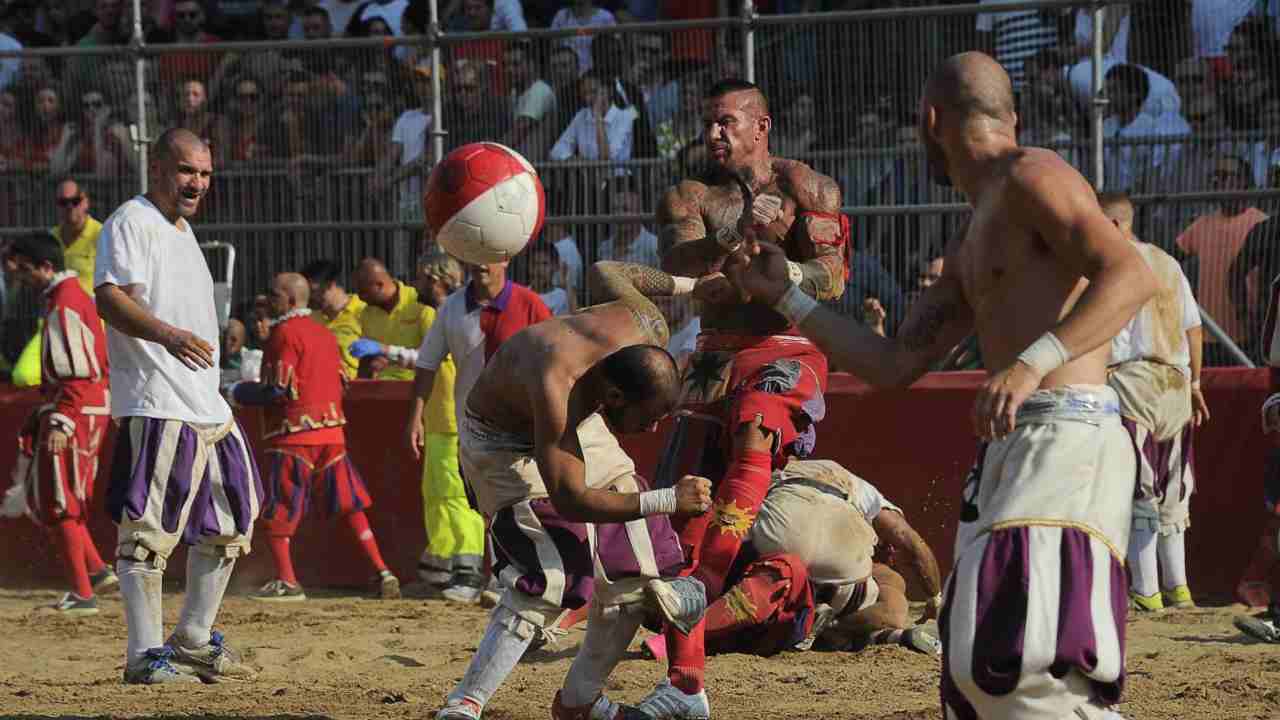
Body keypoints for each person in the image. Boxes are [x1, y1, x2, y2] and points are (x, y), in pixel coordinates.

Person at [726, 52, 1158, 720]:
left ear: (931, 121)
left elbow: (1130, 275)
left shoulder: (1032, 174)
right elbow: (893, 364)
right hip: (1028, 446)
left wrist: (1031, 361)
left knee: (1029, 664)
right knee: (981, 668)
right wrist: (787, 296)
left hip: (1066, 434)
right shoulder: (976, 231)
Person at [437, 260, 715, 720]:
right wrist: (667, 498)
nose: (652, 429)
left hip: (578, 422)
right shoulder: (556, 385)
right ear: (617, 399)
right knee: (552, 574)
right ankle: (465, 705)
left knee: (635, 568)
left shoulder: (646, 325)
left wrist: (694, 283)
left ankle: (579, 702)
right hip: (504, 443)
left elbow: (609, 270)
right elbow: (570, 499)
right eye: (649, 417)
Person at [650, 77, 849, 716]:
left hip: (786, 343)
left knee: (757, 422)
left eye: (726, 122)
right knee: (682, 485)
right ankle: (690, 646)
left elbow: (835, 279)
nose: (713, 134)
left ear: (761, 127)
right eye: (709, 123)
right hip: (712, 351)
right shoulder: (689, 196)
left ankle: (707, 586)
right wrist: (733, 238)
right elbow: (683, 271)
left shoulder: (807, 188)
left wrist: (781, 270)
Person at [95, 128, 261, 685]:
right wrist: (167, 336)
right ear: (159, 168)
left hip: (204, 401)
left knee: (234, 515)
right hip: (159, 395)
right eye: (188, 170)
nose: (198, 183)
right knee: (147, 530)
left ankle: (191, 638)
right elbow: (110, 297)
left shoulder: (183, 230)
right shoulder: (131, 221)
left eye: (206, 173)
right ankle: (143, 657)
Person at [641, 458, 944, 660]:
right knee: (787, 578)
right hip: (818, 554)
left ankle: (681, 629)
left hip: (764, 528)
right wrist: (935, 599)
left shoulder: (794, 471)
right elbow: (912, 545)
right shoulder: (878, 556)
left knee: (773, 576)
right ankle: (848, 632)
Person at [226, 272, 400, 603]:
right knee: (351, 504)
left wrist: (237, 390)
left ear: (290, 300)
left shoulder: (283, 334)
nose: (269, 299)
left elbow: (278, 390)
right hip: (332, 435)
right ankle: (383, 571)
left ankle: (288, 581)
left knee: (281, 507)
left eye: (275, 294)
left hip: (293, 437)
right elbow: (340, 382)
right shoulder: (324, 333)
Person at [406, 253, 550, 602]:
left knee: (524, 499)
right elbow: (427, 364)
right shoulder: (452, 307)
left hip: (522, 421)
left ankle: (516, 578)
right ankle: (498, 578)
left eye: (490, 254)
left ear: (506, 259)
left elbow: (553, 354)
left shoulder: (530, 303)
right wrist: (416, 416)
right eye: (475, 253)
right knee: (485, 501)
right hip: (470, 422)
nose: (482, 262)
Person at [1098, 192, 1208, 613]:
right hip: (1175, 382)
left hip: (1128, 382)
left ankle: (1146, 590)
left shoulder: (1103, 265)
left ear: (1113, 225)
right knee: (1175, 487)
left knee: (1141, 487)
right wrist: (1195, 382)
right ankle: (1178, 588)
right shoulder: (1168, 262)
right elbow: (1193, 328)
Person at [5, 232, 116, 615]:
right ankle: (98, 573)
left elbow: (76, 374)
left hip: (75, 410)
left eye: (20, 265)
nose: (15, 272)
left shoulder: (64, 303)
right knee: (67, 496)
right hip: (85, 408)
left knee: (60, 501)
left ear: (44, 266)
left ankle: (83, 594)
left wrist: (62, 420)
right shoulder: (67, 298)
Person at [300, 259, 365, 380]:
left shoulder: (363, 311)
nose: (310, 298)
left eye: (314, 291)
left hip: (356, 388)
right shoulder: (310, 318)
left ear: (330, 285)